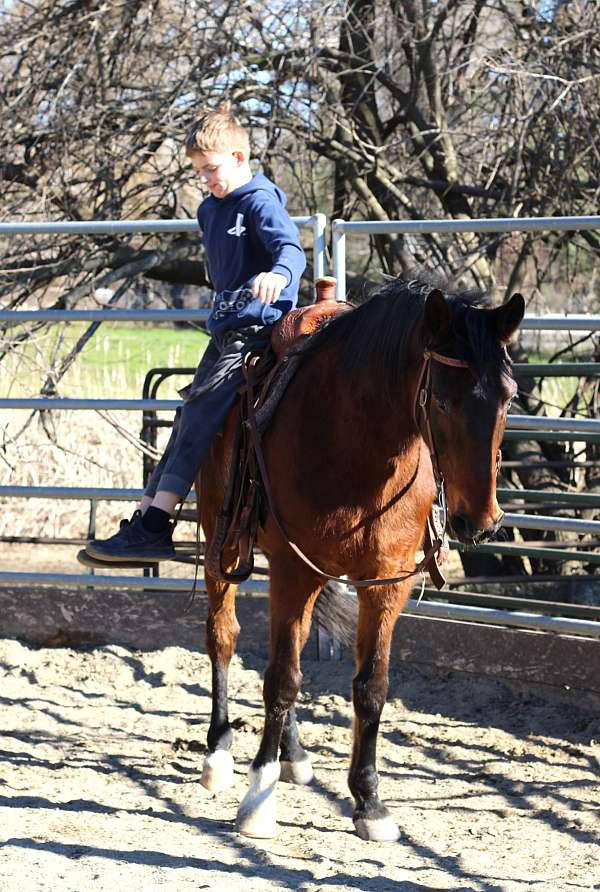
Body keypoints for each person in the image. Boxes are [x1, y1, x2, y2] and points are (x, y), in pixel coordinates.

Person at [85, 103, 306, 562]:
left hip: (257, 329)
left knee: (203, 410)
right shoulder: (210, 210)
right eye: (198, 171)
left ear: (240, 158)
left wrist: (279, 276)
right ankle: (146, 519)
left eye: (211, 169)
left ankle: (155, 522)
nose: (205, 179)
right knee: (187, 416)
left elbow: (290, 247)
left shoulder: (260, 201)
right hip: (224, 332)